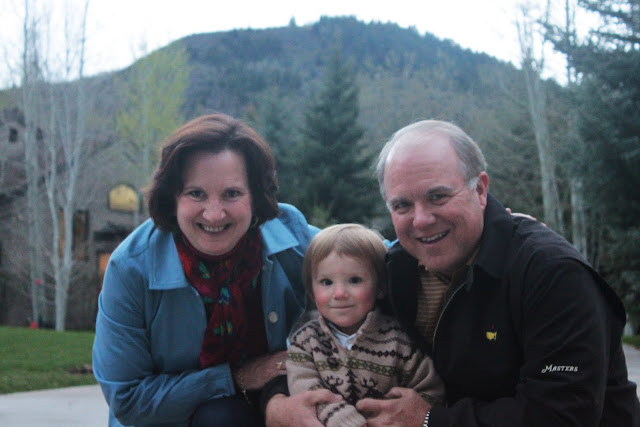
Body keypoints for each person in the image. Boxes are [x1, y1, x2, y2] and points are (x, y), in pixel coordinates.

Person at [353, 119, 640, 426]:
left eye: (438, 197)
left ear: (480, 190)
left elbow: (560, 414)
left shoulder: (551, 274)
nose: (421, 220)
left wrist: (429, 420)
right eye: (402, 205)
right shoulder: (394, 272)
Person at [92, 113, 336, 426]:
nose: (214, 214)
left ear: (255, 196)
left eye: (232, 193)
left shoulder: (293, 237)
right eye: (196, 193)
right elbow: (128, 399)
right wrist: (237, 377)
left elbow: (370, 256)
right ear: (173, 197)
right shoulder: (130, 269)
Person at [286, 224, 445, 427]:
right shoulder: (305, 342)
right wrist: (340, 418)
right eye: (326, 282)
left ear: (380, 287)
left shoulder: (399, 341)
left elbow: (430, 391)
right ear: (311, 289)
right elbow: (304, 388)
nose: (339, 293)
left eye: (354, 280)